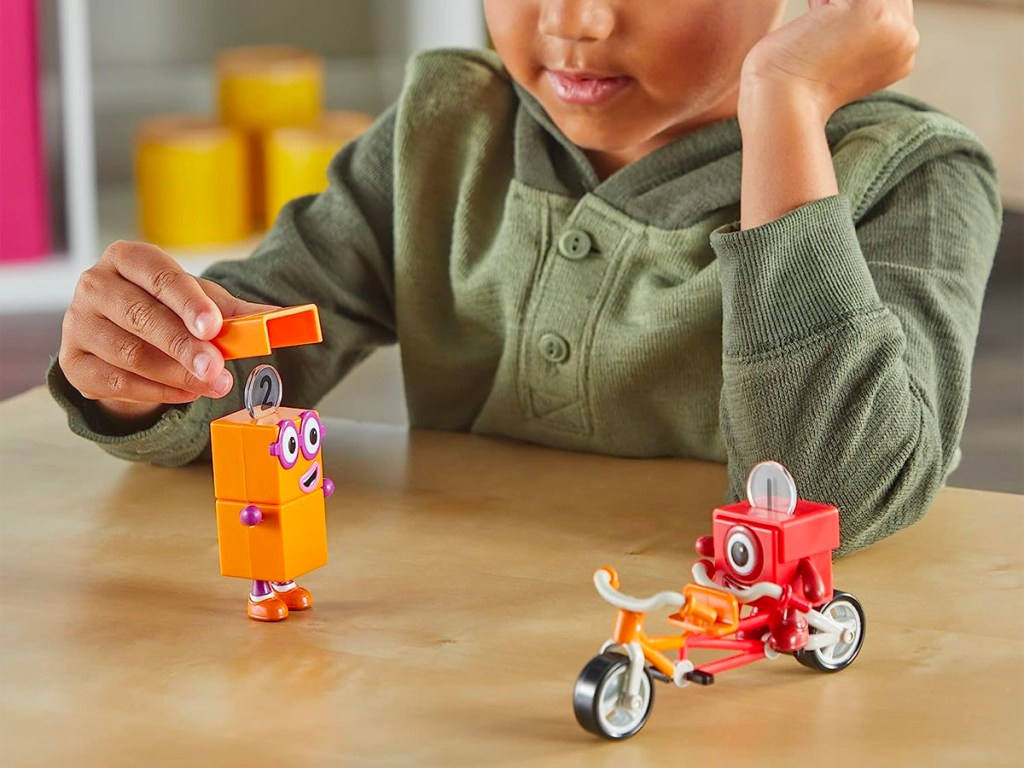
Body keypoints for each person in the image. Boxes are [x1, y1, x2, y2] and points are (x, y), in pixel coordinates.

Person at [50, 0, 1001, 554]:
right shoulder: (445, 126)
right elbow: (248, 370)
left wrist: (784, 104)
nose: (573, 22)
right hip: (464, 665)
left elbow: (844, 493)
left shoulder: (912, 175)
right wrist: (150, 366)